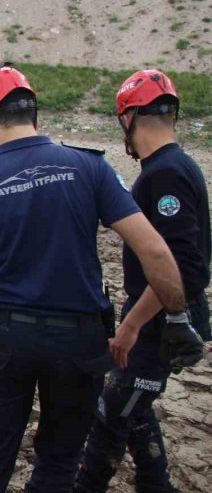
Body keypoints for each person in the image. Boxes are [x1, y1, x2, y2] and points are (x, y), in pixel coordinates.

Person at [0, 64, 201, 493]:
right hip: (80, 341)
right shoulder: (91, 167)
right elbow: (156, 251)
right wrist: (177, 317)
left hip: (9, 339)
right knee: (58, 465)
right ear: (33, 113)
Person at [75, 70, 210, 493]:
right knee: (134, 406)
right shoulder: (175, 166)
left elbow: (183, 267)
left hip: (160, 324)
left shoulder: (165, 173)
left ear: (129, 117)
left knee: (113, 411)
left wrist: (132, 324)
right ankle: (157, 484)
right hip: (158, 318)